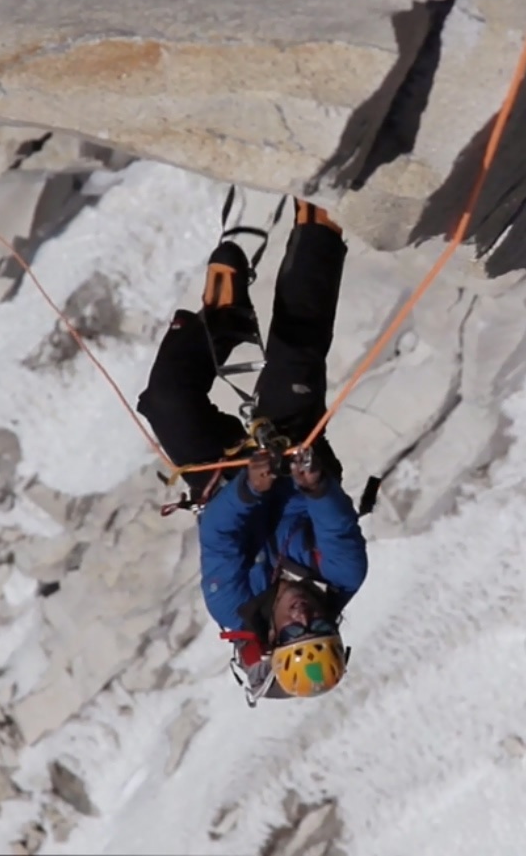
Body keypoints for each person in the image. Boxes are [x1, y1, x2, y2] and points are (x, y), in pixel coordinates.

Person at [136, 198, 366, 701]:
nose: (303, 616)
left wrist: (245, 492)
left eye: (293, 633)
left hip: (226, 486)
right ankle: (319, 229)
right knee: (294, 364)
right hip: (296, 465)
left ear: (273, 639)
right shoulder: (344, 574)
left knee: (166, 401)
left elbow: (218, 538)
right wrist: (313, 483)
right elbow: (334, 524)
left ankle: (222, 318)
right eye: (317, 627)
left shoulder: (234, 606)